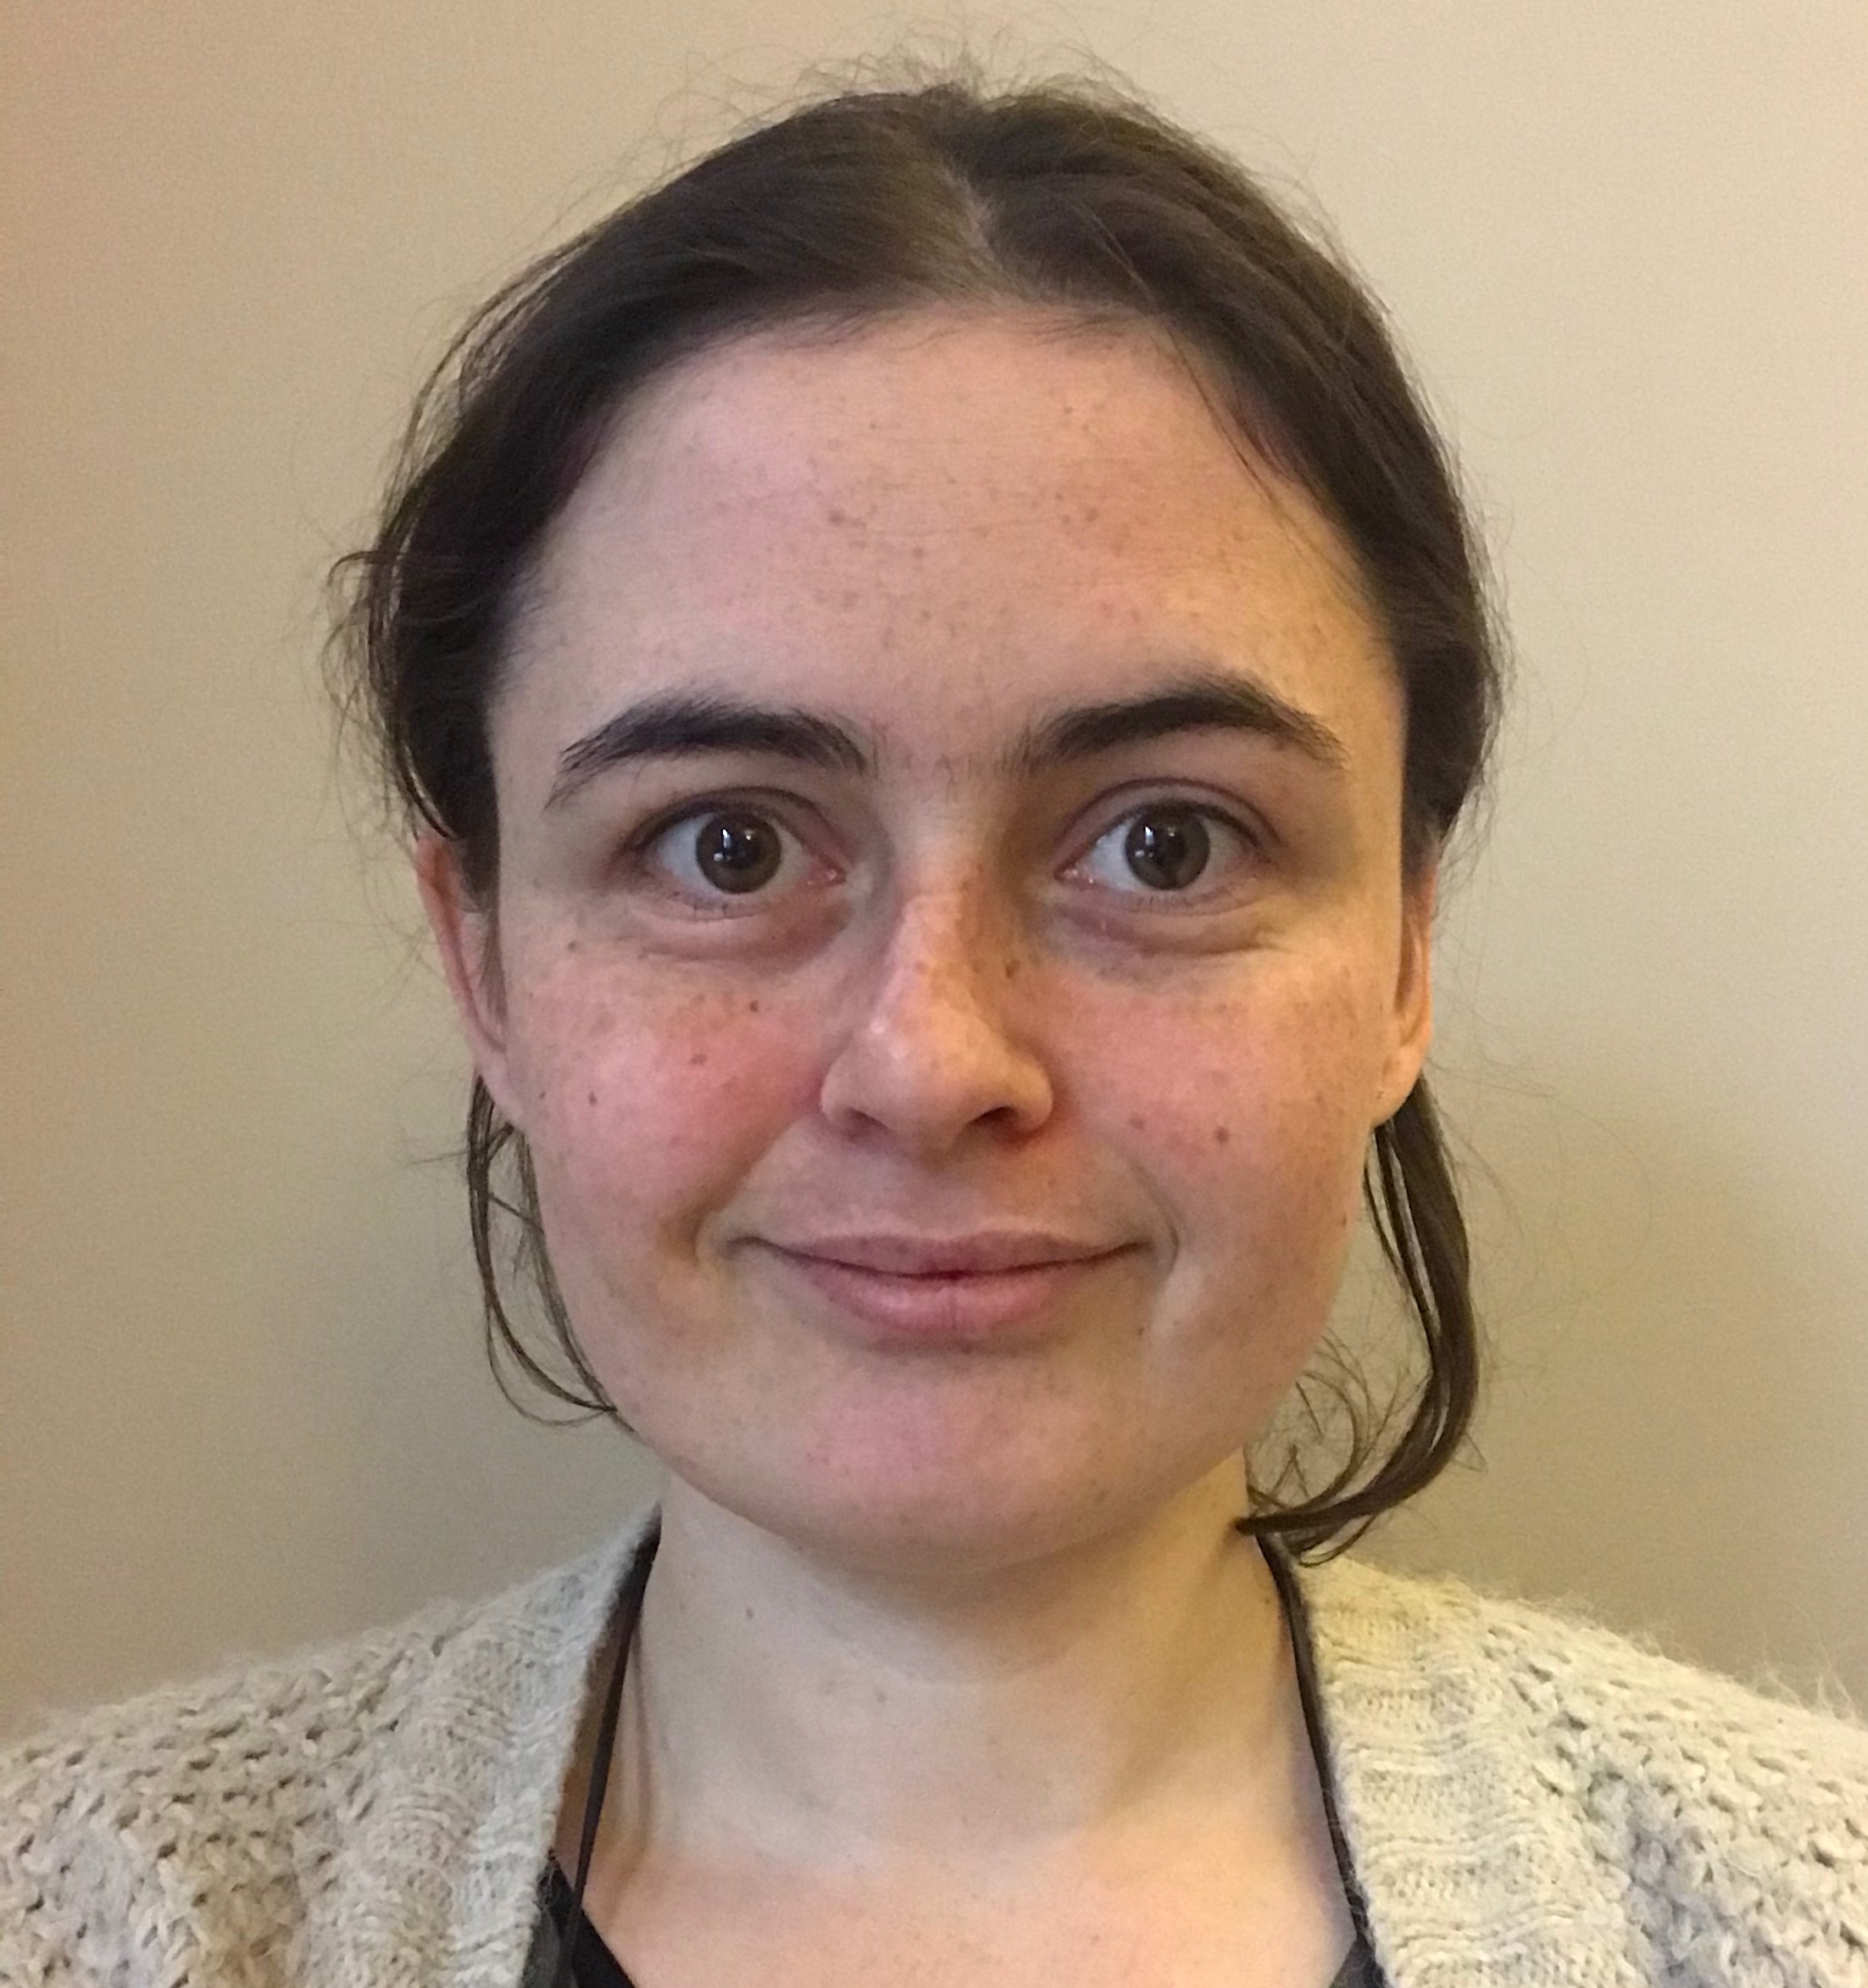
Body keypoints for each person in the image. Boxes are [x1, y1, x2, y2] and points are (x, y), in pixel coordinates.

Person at [4, 70, 1864, 1988]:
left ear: (1404, 953)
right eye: (726, 847)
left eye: (1164, 843)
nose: (930, 1062)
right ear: (484, 965)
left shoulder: (1805, 1915)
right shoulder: (96, 1911)